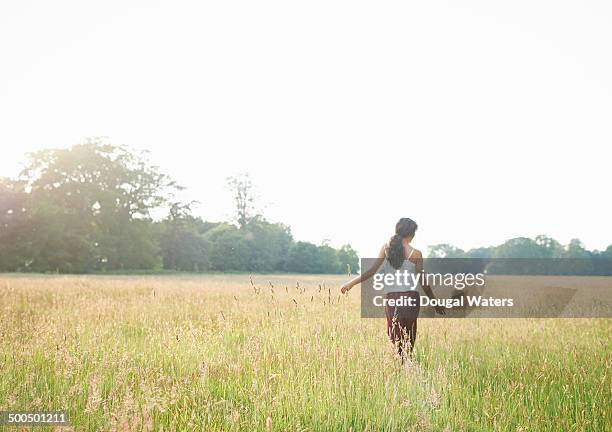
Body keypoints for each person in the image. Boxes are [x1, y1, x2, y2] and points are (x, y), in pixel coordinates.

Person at [340, 217, 444, 358]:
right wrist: (434, 302)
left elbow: (371, 271)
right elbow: (423, 281)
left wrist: (350, 283)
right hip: (411, 299)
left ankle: (397, 364)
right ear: (411, 233)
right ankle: (406, 363)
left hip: (391, 298)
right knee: (409, 335)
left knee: (395, 334)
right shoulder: (416, 254)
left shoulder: (386, 248)